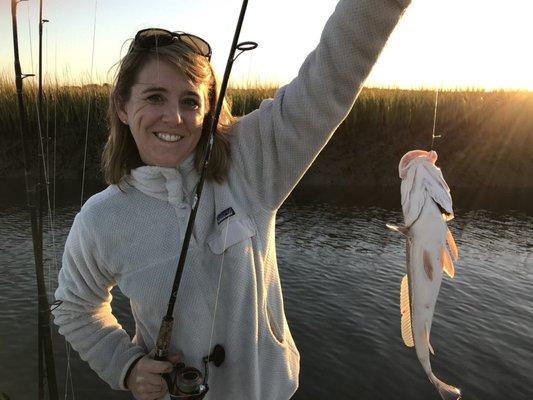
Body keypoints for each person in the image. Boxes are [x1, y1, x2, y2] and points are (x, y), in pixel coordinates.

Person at [52, 0, 411, 399]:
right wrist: (127, 366)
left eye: (190, 101)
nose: (173, 117)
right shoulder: (101, 218)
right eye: (155, 97)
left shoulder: (251, 162)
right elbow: (74, 308)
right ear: (122, 105)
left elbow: (331, 76)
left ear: (207, 110)